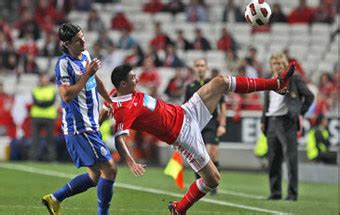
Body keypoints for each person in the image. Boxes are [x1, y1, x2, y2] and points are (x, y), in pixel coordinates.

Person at [105, 62, 295, 215]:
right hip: (183, 136)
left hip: (186, 112)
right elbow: (119, 138)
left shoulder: (117, 95)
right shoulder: (124, 109)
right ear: (123, 84)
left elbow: (108, 101)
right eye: (132, 77)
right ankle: (180, 209)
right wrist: (130, 162)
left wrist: (103, 109)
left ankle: (277, 84)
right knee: (213, 179)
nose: (137, 79)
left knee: (220, 81)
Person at [41, 23, 117, 215]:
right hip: (79, 126)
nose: (83, 41)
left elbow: (95, 81)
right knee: (110, 169)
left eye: (83, 37)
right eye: (78, 40)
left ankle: (55, 198)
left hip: (90, 124)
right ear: (66, 44)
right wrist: (86, 74)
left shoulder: (86, 56)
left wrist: (110, 101)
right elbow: (66, 95)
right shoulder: (64, 64)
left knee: (95, 176)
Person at [261, 53, 314, 202]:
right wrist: (263, 120)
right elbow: (267, 103)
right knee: (273, 159)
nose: (277, 66)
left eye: (279, 63)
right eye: (274, 63)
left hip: (287, 121)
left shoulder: (293, 78)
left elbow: (309, 96)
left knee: (291, 159)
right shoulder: (269, 79)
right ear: (271, 65)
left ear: (284, 65)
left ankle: (292, 194)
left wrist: (298, 113)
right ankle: (275, 192)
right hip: (271, 121)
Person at [184, 59, 226, 195]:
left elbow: (222, 105)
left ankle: (213, 181)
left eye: (202, 66)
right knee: (198, 155)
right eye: (197, 66)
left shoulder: (213, 84)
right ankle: (201, 184)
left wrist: (222, 124)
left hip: (211, 123)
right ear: (194, 68)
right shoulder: (190, 87)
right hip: (195, 125)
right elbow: (185, 108)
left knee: (210, 153)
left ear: (206, 68)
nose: (200, 68)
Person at [29, 73, 57, 161]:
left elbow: (50, 102)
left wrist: (42, 102)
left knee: (50, 139)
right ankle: (33, 157)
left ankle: (51, 158)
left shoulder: (52, 89)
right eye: (42, 78)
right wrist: (44, 102)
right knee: (35, 138)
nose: (44, 80)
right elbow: (37, 101)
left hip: (49, 116)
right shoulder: (35, 89)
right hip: (37, 116)